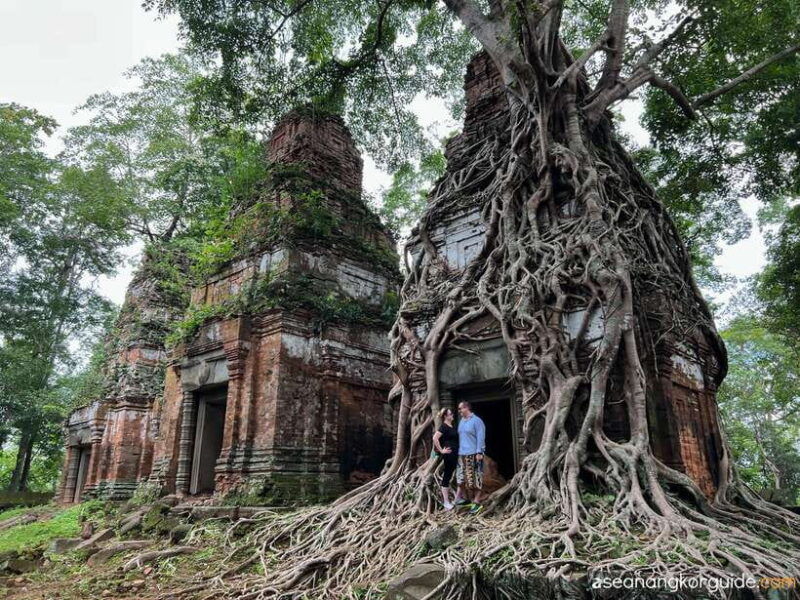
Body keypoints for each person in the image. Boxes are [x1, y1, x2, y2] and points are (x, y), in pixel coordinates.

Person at [455, 401, 486, 514]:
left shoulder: (477, 421)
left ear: (467, 408)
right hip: (461, 454)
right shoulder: (461, 421)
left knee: (475, 478)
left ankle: (477, 502)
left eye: (460, 409)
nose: (459, 411)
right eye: (458, 409)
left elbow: (481, 437)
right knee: (461, 478)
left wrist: (479, 452)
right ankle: (466, 499)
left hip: (473, 453)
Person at [432, 407, 459, 510]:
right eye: (450, 414)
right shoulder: (444, 426)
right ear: (445, 416)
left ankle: (456, 499)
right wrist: (441, 450)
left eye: (452, 413)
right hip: (449, 454)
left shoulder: (452, 426)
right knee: (447, 476)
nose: (452, 415)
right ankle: (446, 502)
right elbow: (435, 438)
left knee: (455, 474)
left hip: (455, 453)